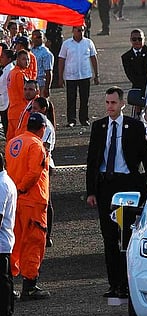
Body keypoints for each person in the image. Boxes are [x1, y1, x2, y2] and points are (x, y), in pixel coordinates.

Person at [86, 87, 147, 299]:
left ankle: (126, 284)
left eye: (113, 103)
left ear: (122, 104)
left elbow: (145, 157)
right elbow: (92, 161)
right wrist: (91, 191)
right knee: (109, 237)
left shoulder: (134, 126)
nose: (109, 107)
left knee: (126, 236)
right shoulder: (99, 127)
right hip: (106, 186)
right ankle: (114, 284)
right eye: (107, 102)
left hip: (127, 187)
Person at [5, 112, 50, 300]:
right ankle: (29, 286)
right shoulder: (36, 145)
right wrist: (22, 189)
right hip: (31, 201)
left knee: (14, 243)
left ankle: (8, 286)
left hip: (15, 201)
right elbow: (33, 173)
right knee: (33, 242)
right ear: (42, 128)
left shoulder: (13, 142)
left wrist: (16, 191)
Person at [58, 25, 99, 128]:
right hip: (71, 75)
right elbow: (61, 60)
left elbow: (93, 58)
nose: (81, 32)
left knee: (84, 99)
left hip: (85, 75)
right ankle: (71, 120)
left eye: (82, 30)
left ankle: (84, 119)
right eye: (79, 30)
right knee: (71, 99)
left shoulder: (88, 42)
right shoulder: (66, 44)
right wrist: (60, 77)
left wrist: (96, 75)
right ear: (73, 30)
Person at [32, 97, 56, 248]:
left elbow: (44, 149)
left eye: (35, 108)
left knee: (45, 201)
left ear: (43, 109)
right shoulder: (35, 121)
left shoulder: (45, 126)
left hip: (44, 165)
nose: (32, 110)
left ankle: (47, 235)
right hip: (36, 164)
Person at [0, 153, 17, 316]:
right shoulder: (5, 182)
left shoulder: (2, 185)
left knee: (3, 284)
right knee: (5, 282)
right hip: (4, 241)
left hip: (1, 242)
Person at [121, 29, 147, 99]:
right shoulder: (126, 57)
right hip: (138, 88)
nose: (137, 41)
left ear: (144, 39)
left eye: (140, 39)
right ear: (131, 40)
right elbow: (130, 75)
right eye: (134, 39)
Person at [6, 49, 30, 142]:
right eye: (24, 59)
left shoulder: (11, 72)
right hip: (21, 112)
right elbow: (25, 94)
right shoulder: (20, 74)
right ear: (18, 60)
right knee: (20, 140)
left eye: (28, 59)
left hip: (12, 111)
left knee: (11, 139)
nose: (27, 62)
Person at [31, 30, 54, 98]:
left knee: (41, 106)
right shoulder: (31, 50)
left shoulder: (46, 53)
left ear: (43, 38)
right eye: (34, 37)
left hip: (41, 84)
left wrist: (47, 88)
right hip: (31, 84)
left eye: (39, 37)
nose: (36, 39)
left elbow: (48, 72)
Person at [0, 48, 15, 134]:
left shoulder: (10, 71)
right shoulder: (5, 69)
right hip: (3, 100)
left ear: (9, 59)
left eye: (2, 57)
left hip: (8, 101)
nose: (0, 58)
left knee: (8, 126)